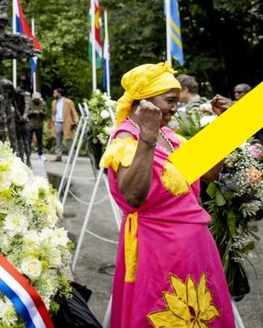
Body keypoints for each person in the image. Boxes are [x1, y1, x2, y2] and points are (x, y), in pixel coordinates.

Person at [100, 62, 234, 327]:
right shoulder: (126, 139)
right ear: (144, 103)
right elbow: (133, 197)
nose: (175, 107)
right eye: (169, 100)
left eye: (176, 100)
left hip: (193, 246)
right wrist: (147, 136)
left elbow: (209, 173)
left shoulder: (169, 136)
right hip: (157, 248)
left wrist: (225, 124)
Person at [51, 88, 79, 162]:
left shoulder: (68, 101)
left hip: (67, 123)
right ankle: (58, 156)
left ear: (59, 93)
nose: (53, 95)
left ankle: (72, 158)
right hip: (57, 122)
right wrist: (53, 119)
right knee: (58, 141)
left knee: (69, 140)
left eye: (55, 93)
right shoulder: (54, 102)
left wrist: (76, 121)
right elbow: (53, 112)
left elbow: (74, 112)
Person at [25, 92, 46, 159]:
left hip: (39, 124)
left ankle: (40, 154)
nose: (36, 100)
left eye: (37, 99)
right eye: (35, 99)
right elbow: (26, 113)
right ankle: (28, 154)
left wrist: (42, 113)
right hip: (30, 124)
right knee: (28, 140)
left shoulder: (43, 103)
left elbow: (45, 113)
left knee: (39, 140)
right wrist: (33, 112)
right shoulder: (29, 103)